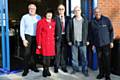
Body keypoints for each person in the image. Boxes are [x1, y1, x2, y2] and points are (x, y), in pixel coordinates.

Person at [89, 7, 114, 80]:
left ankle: (107, 75)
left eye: (98, 11)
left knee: (107, 60)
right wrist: (92, 44)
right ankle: (101, 73)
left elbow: (111, 31)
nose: (97, 13)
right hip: (97, 44)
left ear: (101, 12)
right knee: (100, 60)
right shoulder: (92, 22)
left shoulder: (106, 20)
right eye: (96, 12)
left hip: (106, 44)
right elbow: (91, 34)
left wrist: (111, 41)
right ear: (94, 13)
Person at [66, 6, 89, 76]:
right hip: (74, 41)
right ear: (74, 12)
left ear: (80, 11)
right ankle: (75, 69)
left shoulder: (85, 20)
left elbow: (88, 31)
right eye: (75, 11)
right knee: (74, 57)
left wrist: (88, 40)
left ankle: (84, 70)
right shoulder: (71, 21)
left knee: (84, 57)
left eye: (78, 10)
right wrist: (69, 40)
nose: (77, 12)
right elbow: (68, 31)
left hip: (83, 41)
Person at [20, 3, 41, 76]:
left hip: (36, 37)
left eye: (33, 8)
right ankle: (25, 70)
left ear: (36, 9)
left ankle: (34, 67)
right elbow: (22, 28)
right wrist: (23, 39)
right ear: (28, 9)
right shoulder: (24, 17)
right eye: (30, 8)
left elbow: (41, 28)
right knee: (26, 54)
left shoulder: (39, 17)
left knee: (34, 54)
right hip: (27, 36)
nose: (32, 10)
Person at [36, 9, 56, 77]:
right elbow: (38, 34)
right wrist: (39, 44)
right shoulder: (41, 22)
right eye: (48, 13)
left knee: (49, 58)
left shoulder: (53, 22)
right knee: (45, 58)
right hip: (44, 43)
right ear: (45, 14)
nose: (49, 15)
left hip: (51, 43)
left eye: (50, 13)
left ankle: (47, 70)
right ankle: (45, 70)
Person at [54, 4, 71, 73]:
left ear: (64, 10)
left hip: (65, 37)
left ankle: (64, 66)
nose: (61, 10)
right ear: (58, 10)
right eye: (59, 9)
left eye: (62, 9)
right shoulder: (55, 18)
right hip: (58, 38)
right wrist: (55, 36)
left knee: (64, 53)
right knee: (57, 52)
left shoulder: (68, 18)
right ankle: (56, 67)